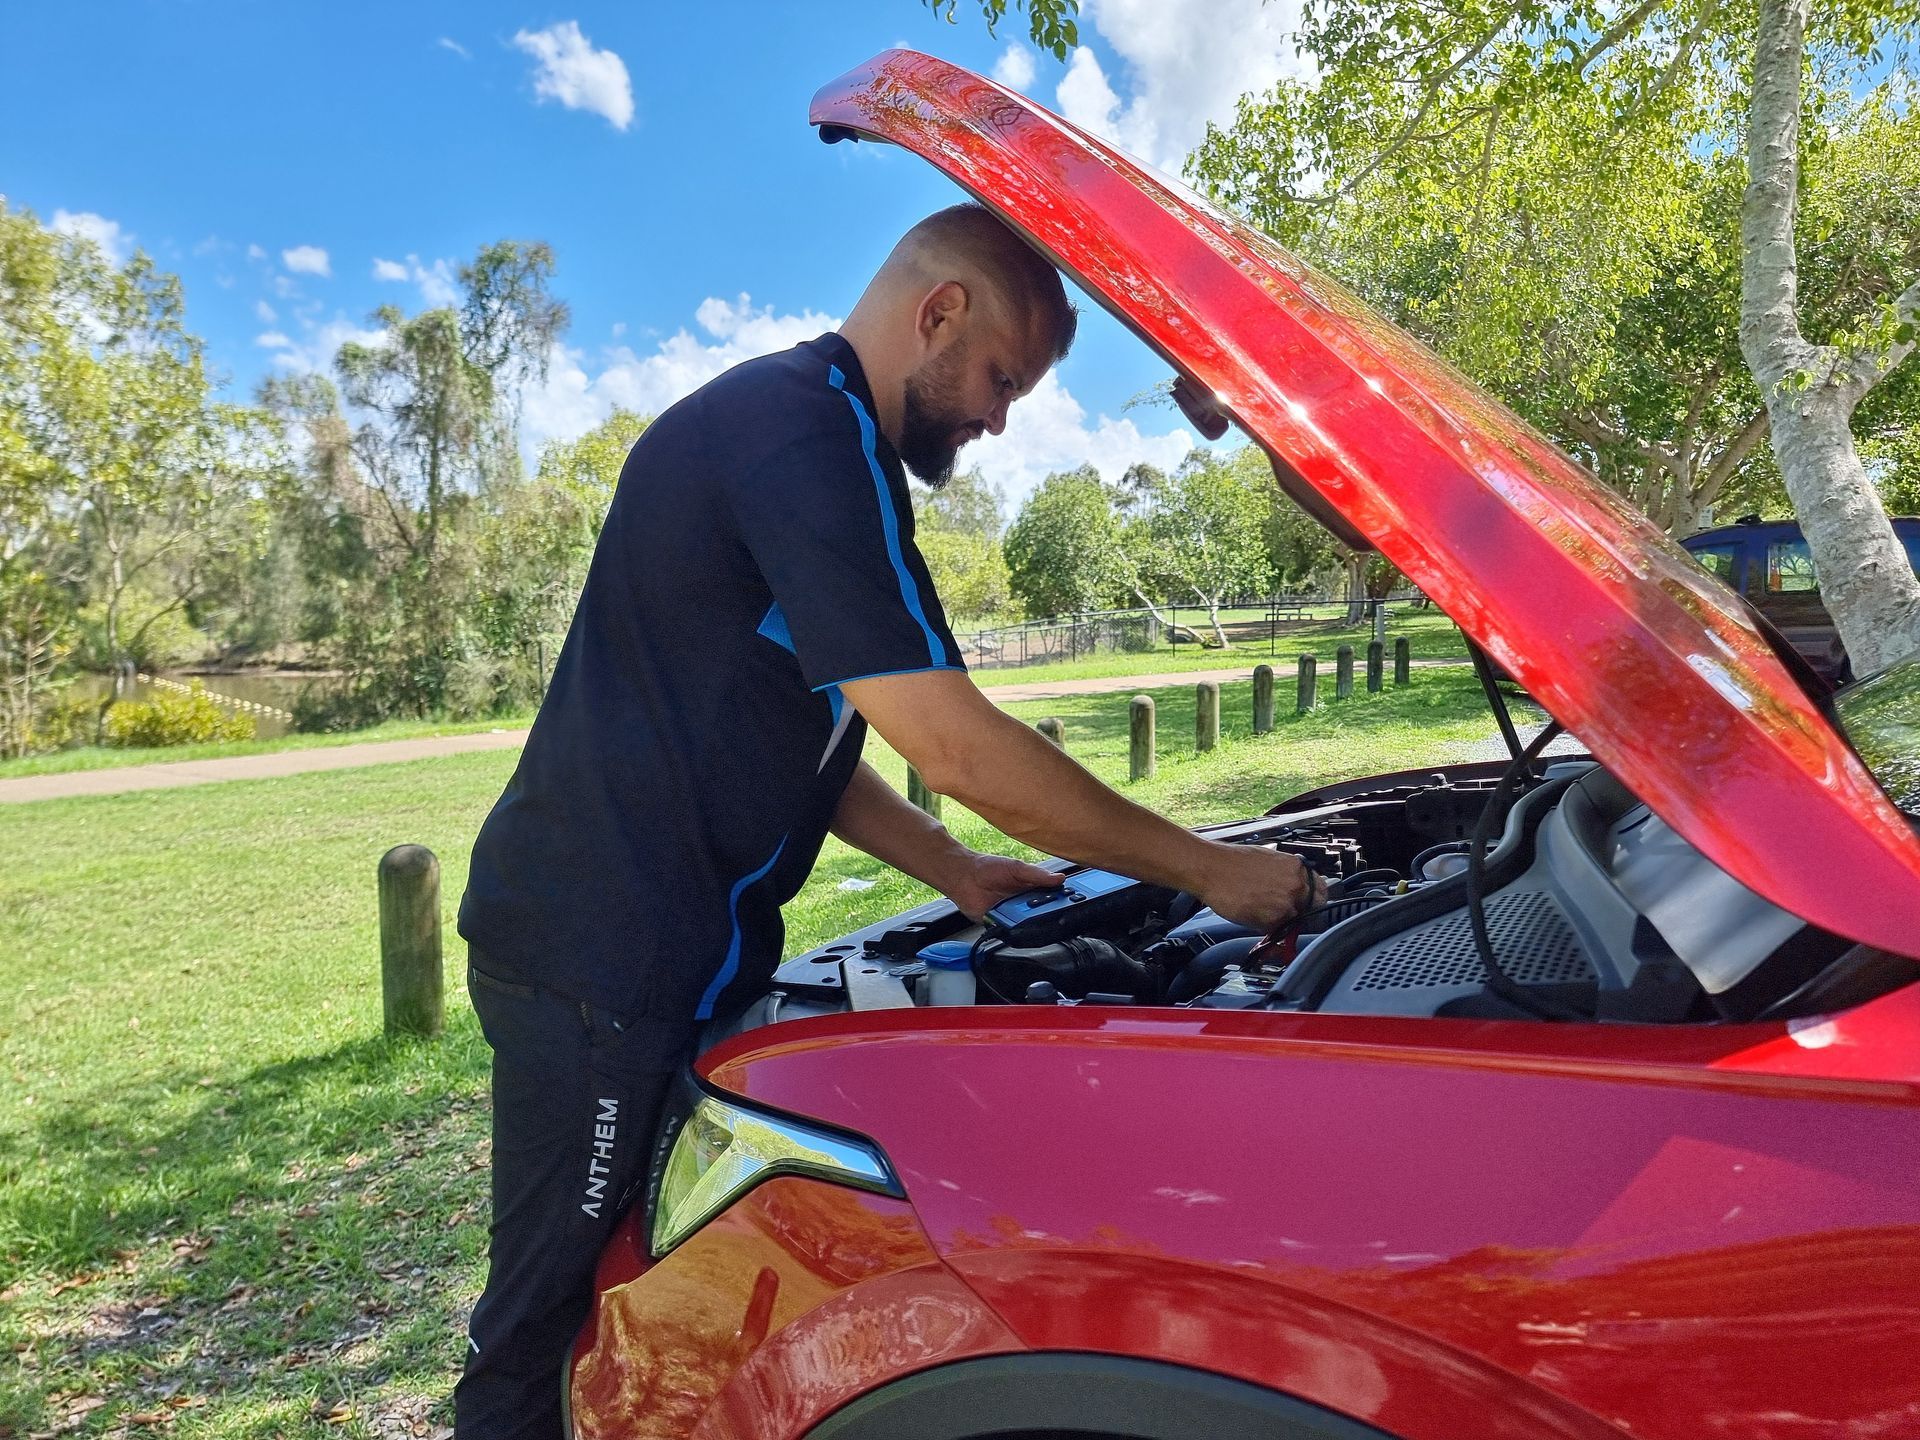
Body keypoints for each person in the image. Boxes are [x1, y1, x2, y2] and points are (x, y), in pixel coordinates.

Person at [452, 203, 1318, 1439]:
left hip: (658, 947)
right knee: (539, 1327)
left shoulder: (822, 441)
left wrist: (959, 875)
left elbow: (810, 742)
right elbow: (955, 745)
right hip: (594, 959)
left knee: (634, 1297)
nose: (1000, 414)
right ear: (939, 313)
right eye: (1001, 378)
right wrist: (1212, 872)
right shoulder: (794, 435)